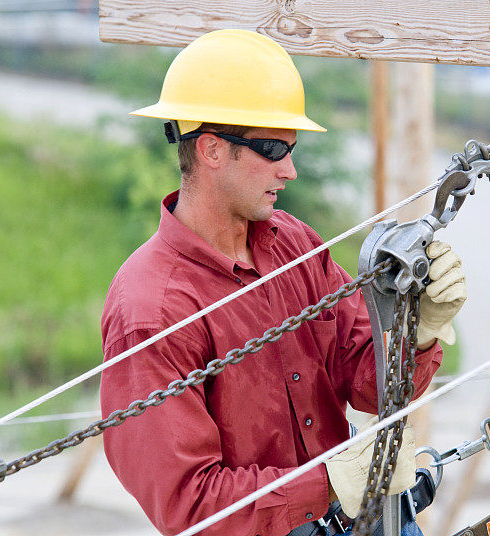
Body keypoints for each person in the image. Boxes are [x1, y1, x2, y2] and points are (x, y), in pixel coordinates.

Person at [99, 29, 467, 536]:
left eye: (291, 149)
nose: (290, 170)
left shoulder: (293, 244)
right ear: (209, 149)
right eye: (273, 148)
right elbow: (189, 506)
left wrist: (418, 330)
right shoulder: (151, 310)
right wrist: (330, 482)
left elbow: (367, 384)